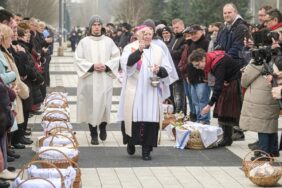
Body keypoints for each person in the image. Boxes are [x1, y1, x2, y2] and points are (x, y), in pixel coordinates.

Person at [118, 26, 172, 160]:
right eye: (144, 34)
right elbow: (127, 65)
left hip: (151, 91)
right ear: (138, 35)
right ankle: (130, 142)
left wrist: (159, 70)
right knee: (132, 116)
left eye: (150, 34)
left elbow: (168, 70)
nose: (147, 36)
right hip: (134, 90)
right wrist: (139, 51)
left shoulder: (158, 50)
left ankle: (146, 150)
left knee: (151, 118)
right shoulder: (130, 48)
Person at [74, 15, 120, 145]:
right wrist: (92, 66)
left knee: (105, 105)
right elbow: (78, 59)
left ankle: (103, 128)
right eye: (94, 25)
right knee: (90, 107)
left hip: (104, 78)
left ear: (102, 27)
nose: (96, 27)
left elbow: (116, 57)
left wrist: (106, 66)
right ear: (90, 27)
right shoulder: (84, 42)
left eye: (99, 25)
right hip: (89, 79)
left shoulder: (109, 41)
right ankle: (93, 134)